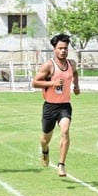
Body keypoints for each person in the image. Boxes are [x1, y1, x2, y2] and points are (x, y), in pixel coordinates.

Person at [32, 33, 80, 177]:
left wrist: (76, 86)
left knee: (65, 130)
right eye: (60, 48)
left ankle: (61, 164)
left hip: (65, 105)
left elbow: (75, 74)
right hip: (50, 106)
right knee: (45, 139)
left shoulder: (71, 64)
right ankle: (45, 150)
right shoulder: (49, 65)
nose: (63, 51)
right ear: (54, 49)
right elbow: (35, 82)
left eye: (65, 48)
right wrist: (52, 83)